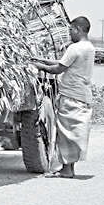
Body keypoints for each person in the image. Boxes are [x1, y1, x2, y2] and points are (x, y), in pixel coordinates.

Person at [30, 16, 95, 178]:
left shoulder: (75, 48)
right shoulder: (89, 47)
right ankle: (69, 168)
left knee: (66, 133)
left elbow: (58, 69)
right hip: (82, 94)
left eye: (71, 30)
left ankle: (67, 169)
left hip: (70, 95)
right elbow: (64, 62)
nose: (69, 33)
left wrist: (39, 66)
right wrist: (43, 60)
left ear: (78, 29)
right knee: (72, 131)